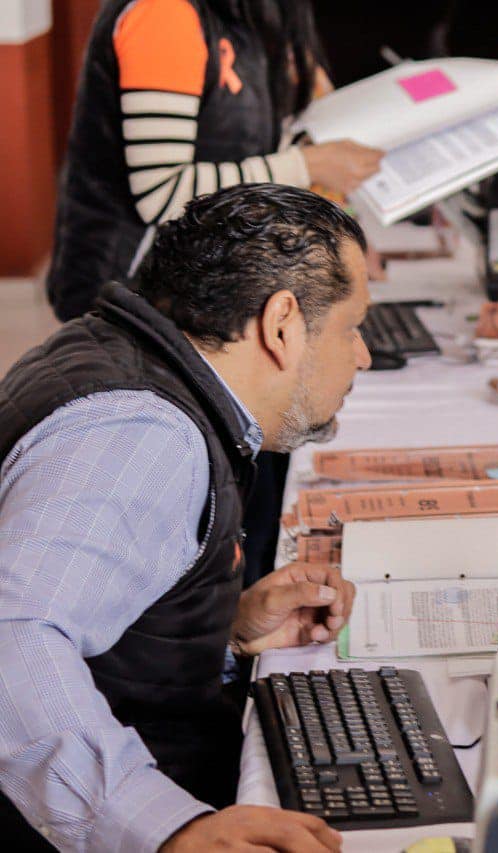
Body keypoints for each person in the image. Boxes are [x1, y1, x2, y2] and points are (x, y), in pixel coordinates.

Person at [0, 184, 372, 851]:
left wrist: (219, 636)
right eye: (351, 327)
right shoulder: (144, 432)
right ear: (282, 323)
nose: (364, 355)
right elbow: (9, 634)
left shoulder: (121, 352)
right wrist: (168, 827)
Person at [46, 0, 383, 322]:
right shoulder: (165, 14)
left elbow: (260, 148)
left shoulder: (251, 17)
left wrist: (338, 233)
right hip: (134, 295)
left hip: (207, 286)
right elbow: (162, 193)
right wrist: (307, 165)